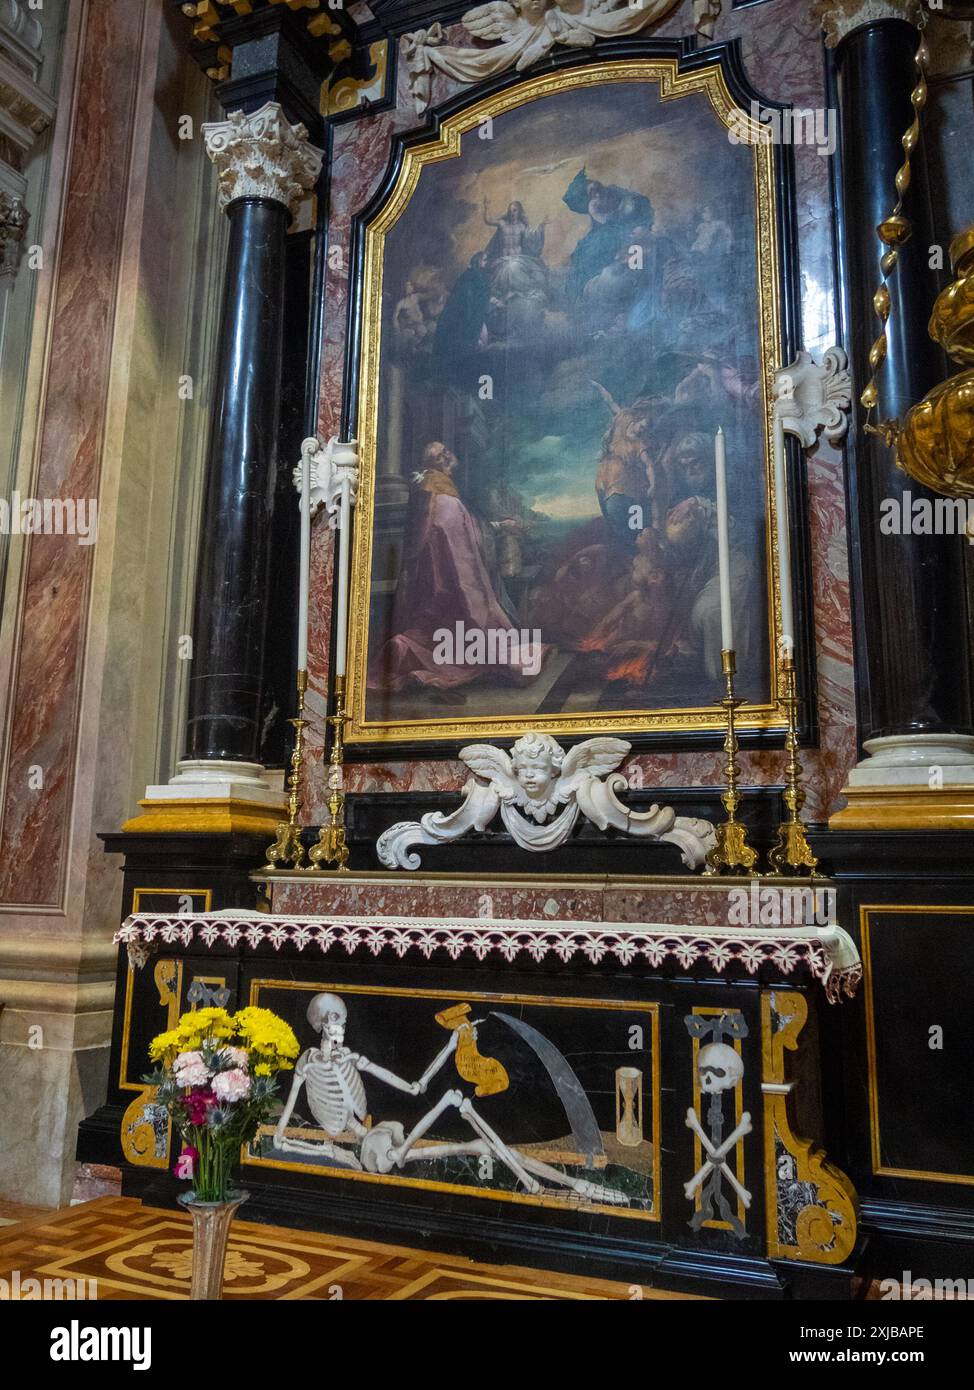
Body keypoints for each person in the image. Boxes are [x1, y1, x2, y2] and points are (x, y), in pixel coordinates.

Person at [369, 442, 547, 694]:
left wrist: (497, 526)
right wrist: (500, 529)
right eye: (440, 456)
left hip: (434, 587)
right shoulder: (444, 500)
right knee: (470, 624)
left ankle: (407, 647)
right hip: (450, 588)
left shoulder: (432, 494)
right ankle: (407, 650)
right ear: (432, 466)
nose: (447, 457)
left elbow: (469, 529)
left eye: (445, 451)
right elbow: (464, 548)